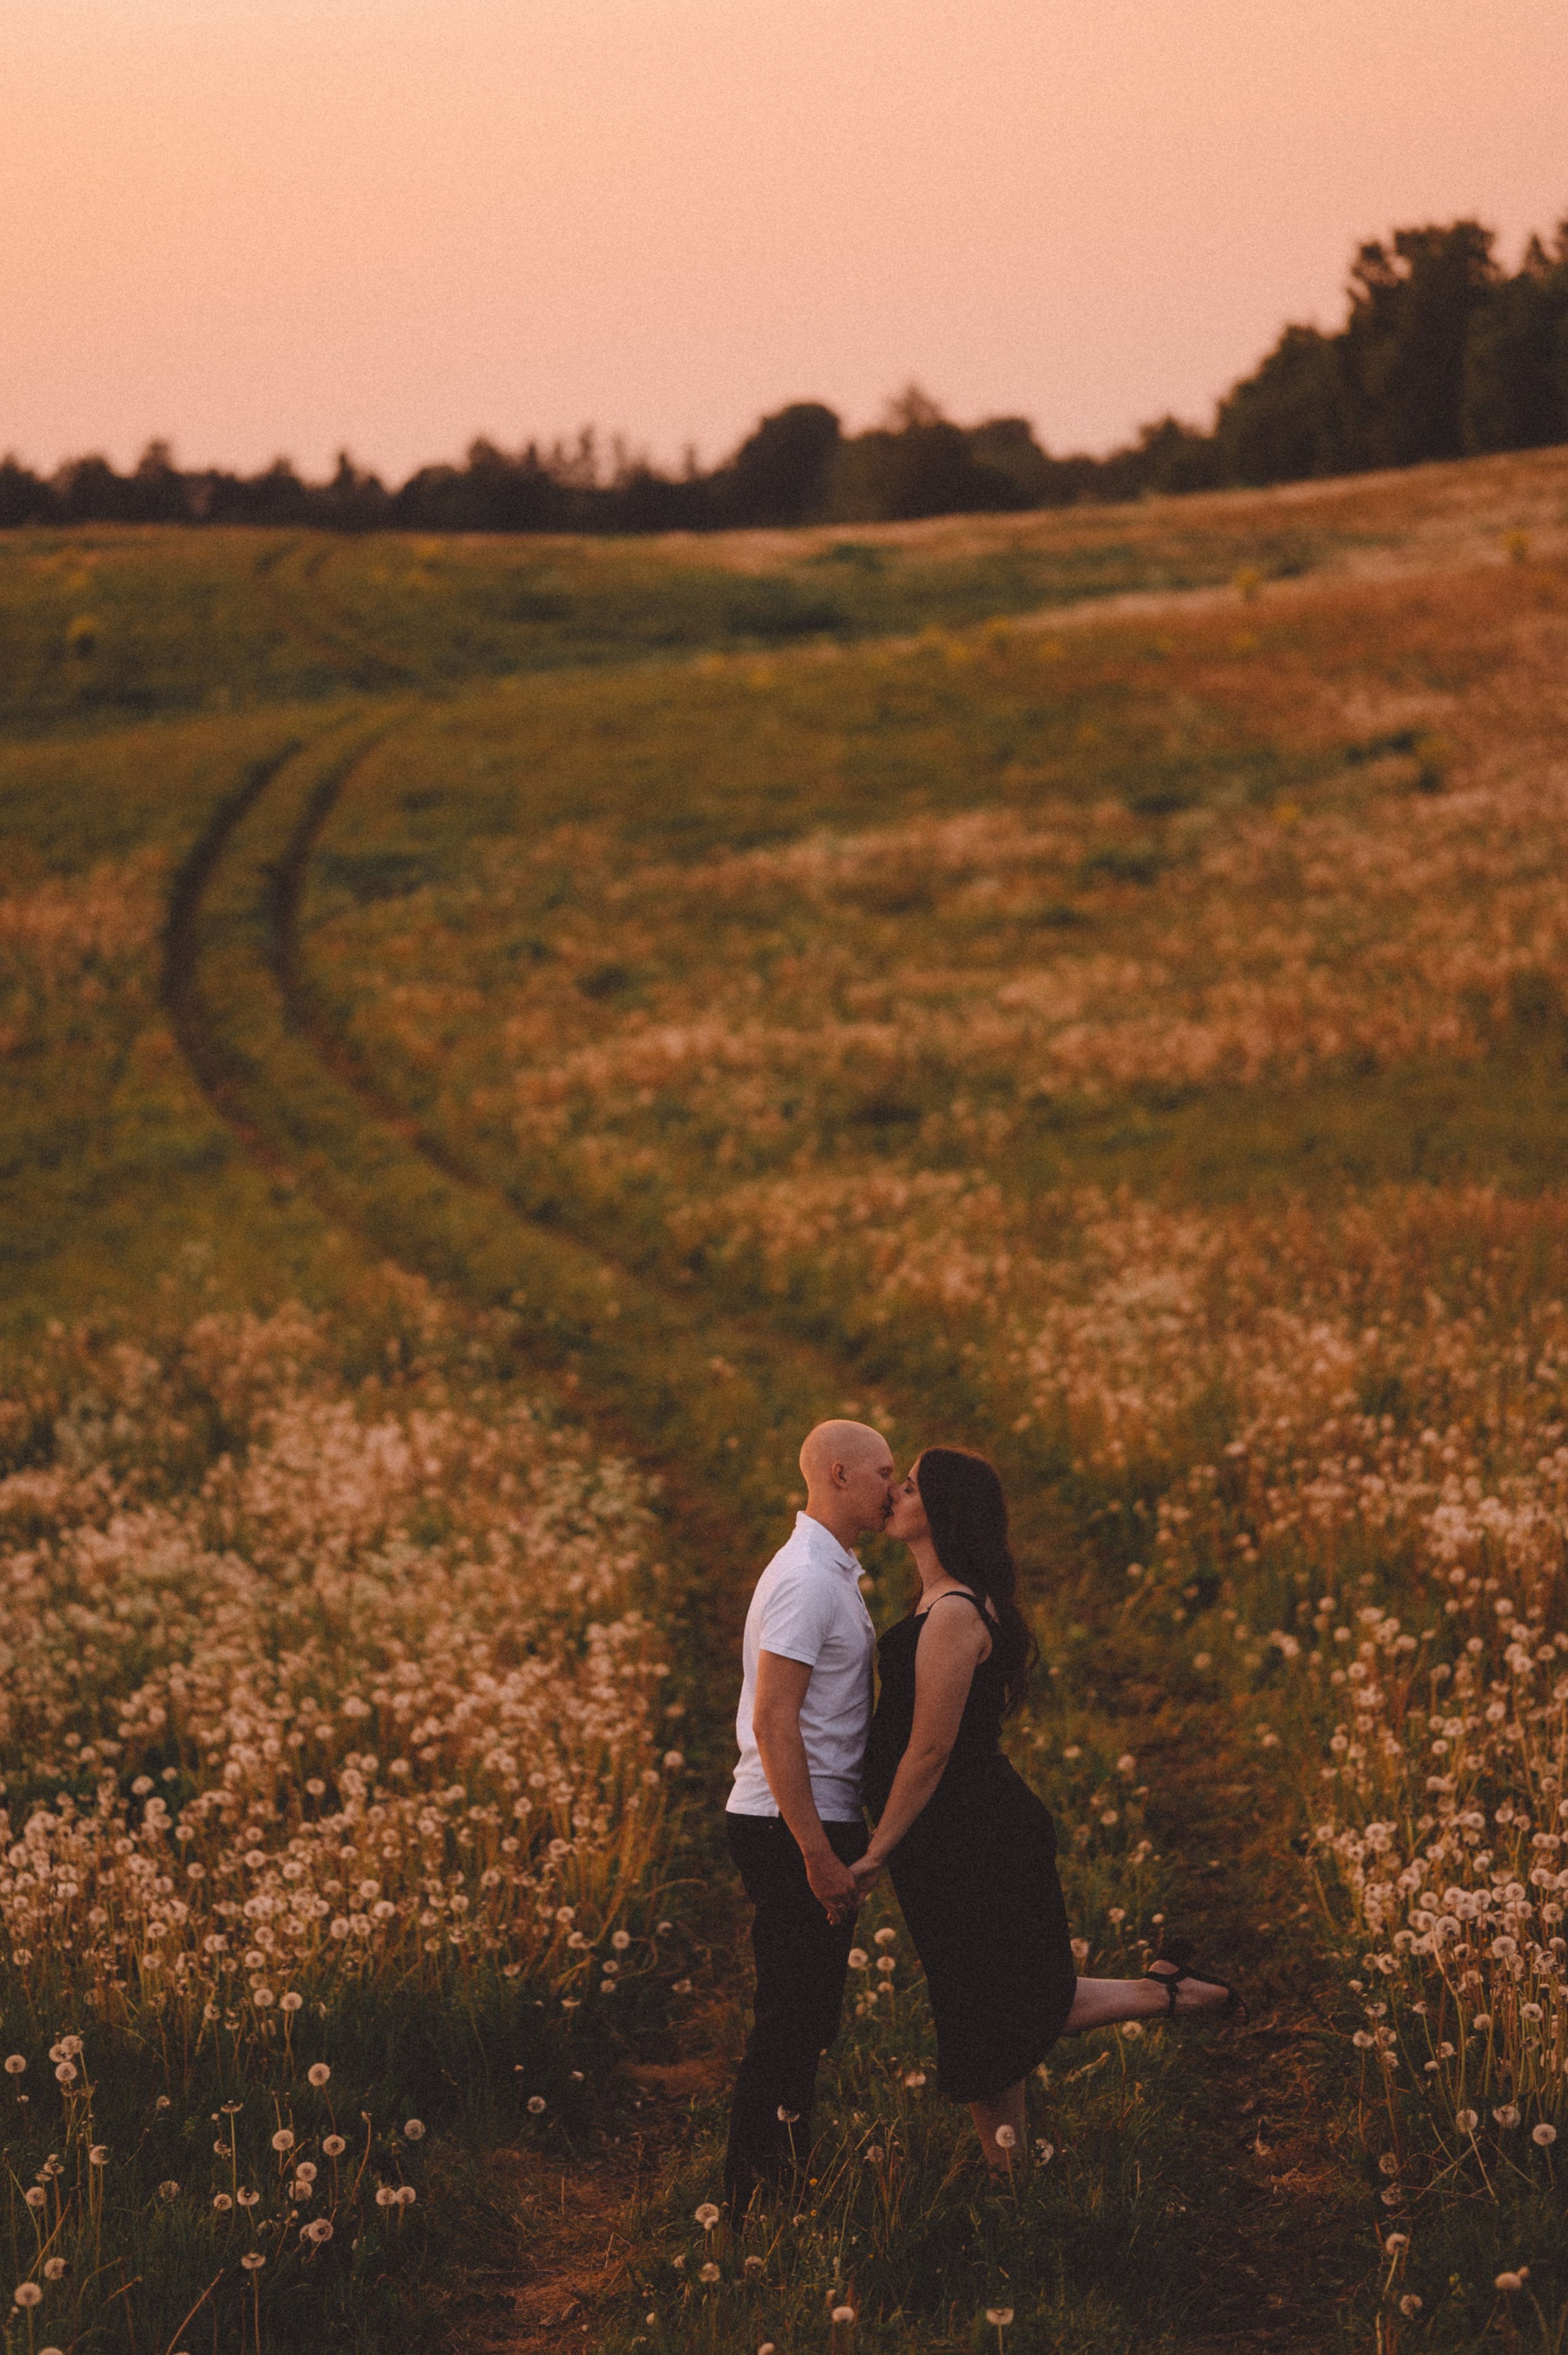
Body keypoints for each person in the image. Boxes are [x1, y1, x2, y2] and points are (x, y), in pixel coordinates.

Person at [853, 1446, 1245, 2174]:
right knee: (993, 2001)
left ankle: (1157, 2006)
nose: (894, 1494)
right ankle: (1018, 2169)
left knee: (995, 2003)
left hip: (970, 1833)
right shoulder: (940, 1599)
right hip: (953, 1832)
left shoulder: (952, 1614)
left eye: (908, 1486)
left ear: (940, 1511)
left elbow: (929, 1752)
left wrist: (878, 1846)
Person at [723, 1418, 897, 2209]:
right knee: (792, 2017)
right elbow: (772, 1720)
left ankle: (779, 2175)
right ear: (837, 1474)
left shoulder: (832, 1572)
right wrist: (816, 1850)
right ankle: (755, 2194)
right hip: (789, 1822)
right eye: (883, 1473)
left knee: (808, 2016)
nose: (894, 1489)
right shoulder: (806, 1579)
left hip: (810, 1817)